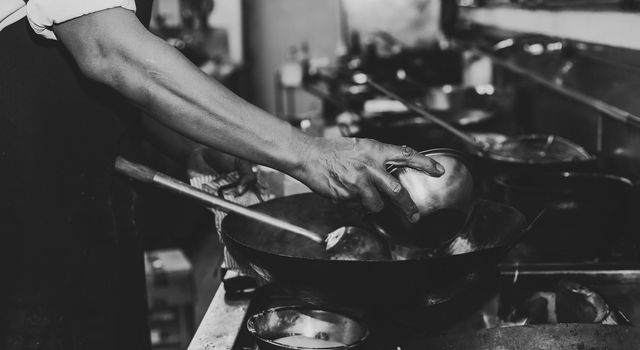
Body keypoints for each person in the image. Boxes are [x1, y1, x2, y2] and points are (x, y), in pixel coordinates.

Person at [0, 1, 444, 349]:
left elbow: (108, 85)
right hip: (24, 222)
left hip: (84, 212)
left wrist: (196, 147)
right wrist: (311, 153)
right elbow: (107, 49)